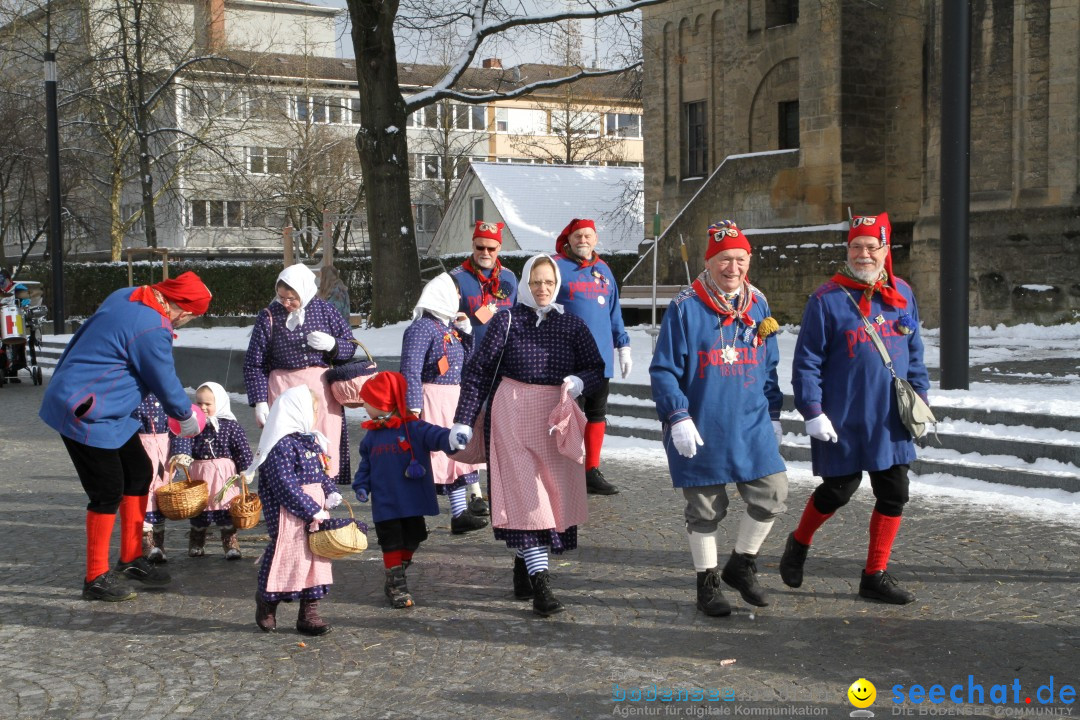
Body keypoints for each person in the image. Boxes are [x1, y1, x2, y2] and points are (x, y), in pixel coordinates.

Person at [784, 212, 930, 605]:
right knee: (838, 490)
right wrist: (812, 410)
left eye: (871, 246)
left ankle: (874, 575)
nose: (863, 254)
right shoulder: (827, 299)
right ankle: (798, 543)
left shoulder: (902, 294)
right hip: (843, 416)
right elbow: (807, 361)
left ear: (885, 251)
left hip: (889, 417)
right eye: (855, 246)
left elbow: (914, 354)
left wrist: (920, 399)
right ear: (847, 250)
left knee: (895, 492)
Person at [39, 271, 212, 601]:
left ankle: (131, 558)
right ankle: (95, 578)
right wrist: (186, 417)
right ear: (186, 312)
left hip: (108, 407)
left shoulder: (131, 293)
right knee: (107, 489)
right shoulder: (152, 328)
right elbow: (164, 380)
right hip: (85, 410)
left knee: (139, 472)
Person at [452, 254, 605, 617]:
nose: (542, 288)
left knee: (551, 498)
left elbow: (596, 367)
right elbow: (477, 372)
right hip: (512, 413)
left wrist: (580, 380)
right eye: (536, 282)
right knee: (528, 499)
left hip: (555, 418)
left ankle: (524, 562)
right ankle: (541, 584)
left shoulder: (573, 325)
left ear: (557, 284)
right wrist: (462, 419)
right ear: (525, 283)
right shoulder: (506, 320)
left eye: (549, 282)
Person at [649, 220, 789, 617]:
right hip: (701, 423)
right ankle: (706, 582)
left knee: (774, 492)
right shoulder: (684, 307)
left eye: (740, 259)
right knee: (706, 509)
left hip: (751, 422)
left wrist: (774, 412)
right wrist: (677, 416)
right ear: (709, 262)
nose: (733, 268)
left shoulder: (758, 303)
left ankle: (741, 564)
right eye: (725, 259)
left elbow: (770, 364)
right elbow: (663, 370)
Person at [244, 263, 357, 485]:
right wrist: (259, 401)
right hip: (282, 390)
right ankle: (287, 499)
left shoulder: (326, 311)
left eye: (291, 298)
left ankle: (323, 497)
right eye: (281, 297)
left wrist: (333, 344)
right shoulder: (268, 317)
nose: (286, 303)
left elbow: (350, 347)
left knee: (323, 443)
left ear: (304, 291)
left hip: (320, 392)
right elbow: (254, 363)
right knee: (283, 444)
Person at [352, 371, 457, 609]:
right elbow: (365, 465)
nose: (365, 408)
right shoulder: (371, 436)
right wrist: (361, 485)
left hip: (410, 499)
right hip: (385, 501)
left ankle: (399, 567)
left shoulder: (414, 428)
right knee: (390, 541)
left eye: (367, 403)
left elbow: (436, 435)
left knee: (415, 536)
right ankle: (396, 582)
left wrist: (452, 437)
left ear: (382, 402)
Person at [252, 385, 348, 635]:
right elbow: (285, 485)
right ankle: (267, 602)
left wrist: (330, 490)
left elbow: (320, 472)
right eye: (313, 410)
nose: (315, 415)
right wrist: (310, 509)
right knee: (285, 557)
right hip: (290, 514)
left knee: (315, 557)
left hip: (314, 511)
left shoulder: (311, 442)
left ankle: (309, 613)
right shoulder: (280, 446)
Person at [400, 273, 488, 535]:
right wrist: (413, 404)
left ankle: (459, 514)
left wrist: (468, 334)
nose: (459, 298)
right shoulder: (421, 328)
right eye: (457, 293)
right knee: (431, 460)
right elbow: (410, 369)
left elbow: (466, 362)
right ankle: (414, 519)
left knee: (456, 458)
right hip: (432, 399)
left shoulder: (448, 327)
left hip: (453, 399)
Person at [553, 218, 631, 495]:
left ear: (595, 239)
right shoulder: (556, 266)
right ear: (568, 239)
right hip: (567, 360)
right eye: (577, 236)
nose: (583, 240)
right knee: (567, 418)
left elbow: (614, 312)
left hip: (600, 360)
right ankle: (564, 471)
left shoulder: (604, 270)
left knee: (596, 415)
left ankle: (591, 471)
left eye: (588, 236)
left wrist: (623, 345)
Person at [448, 220, 519, 515]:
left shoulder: (510, 279)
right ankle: (474, 491)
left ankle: (500, 488)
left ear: (499, 248)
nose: (485, 252)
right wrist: (459, 324)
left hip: (503, 365)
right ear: (472, 244)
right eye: (480, 247)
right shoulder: (457, 278)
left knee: (500, 430)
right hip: (470, 364)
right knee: (471, 427)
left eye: (491, 247)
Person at [170, 382, 253, 559]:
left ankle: (230, 543)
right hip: (200, 475)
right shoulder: (193, 424)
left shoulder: (231, 426)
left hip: (223, 476)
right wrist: (182, 454)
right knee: (199, 510)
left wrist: (246, 468)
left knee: (225, 510)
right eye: (199, 403)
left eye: (208, 404)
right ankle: (197, 541)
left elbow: (241, 449)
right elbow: (183, 437)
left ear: (220, 402)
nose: (203, 407)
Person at [131, 393, 180, 563]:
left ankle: (158, 542)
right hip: (140, 449)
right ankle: (146, 542)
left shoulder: (166, 395)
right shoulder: (131, 394)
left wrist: (181, 452)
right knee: (142, 494)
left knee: (161, 495)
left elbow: (179, 428)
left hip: (163, 454)